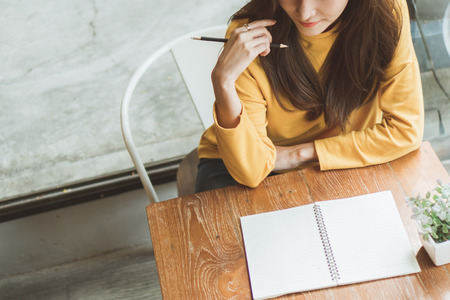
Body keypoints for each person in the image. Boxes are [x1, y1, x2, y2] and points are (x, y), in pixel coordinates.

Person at [195, 0, 424, 192]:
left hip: (336, 157)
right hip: (236, 160)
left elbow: (406, 130)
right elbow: (252, 170)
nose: (304, 12)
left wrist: (299, 154)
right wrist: (222, 81)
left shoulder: (385, 10)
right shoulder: (250, 35)